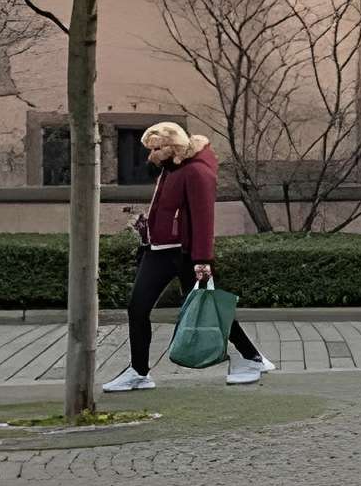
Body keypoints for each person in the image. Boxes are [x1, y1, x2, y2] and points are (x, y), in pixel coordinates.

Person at [99, 122, 272, 391]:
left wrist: (203, 260)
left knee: (209, 308)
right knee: (137, 307)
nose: (151, 156)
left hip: (186, 255)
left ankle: (252, 358)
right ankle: (139, 372)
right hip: (159, 250)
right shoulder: (170, 169)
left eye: (156, 149)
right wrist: (149, 228)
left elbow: (204, 219)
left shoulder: (196, 171)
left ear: (173, 147)